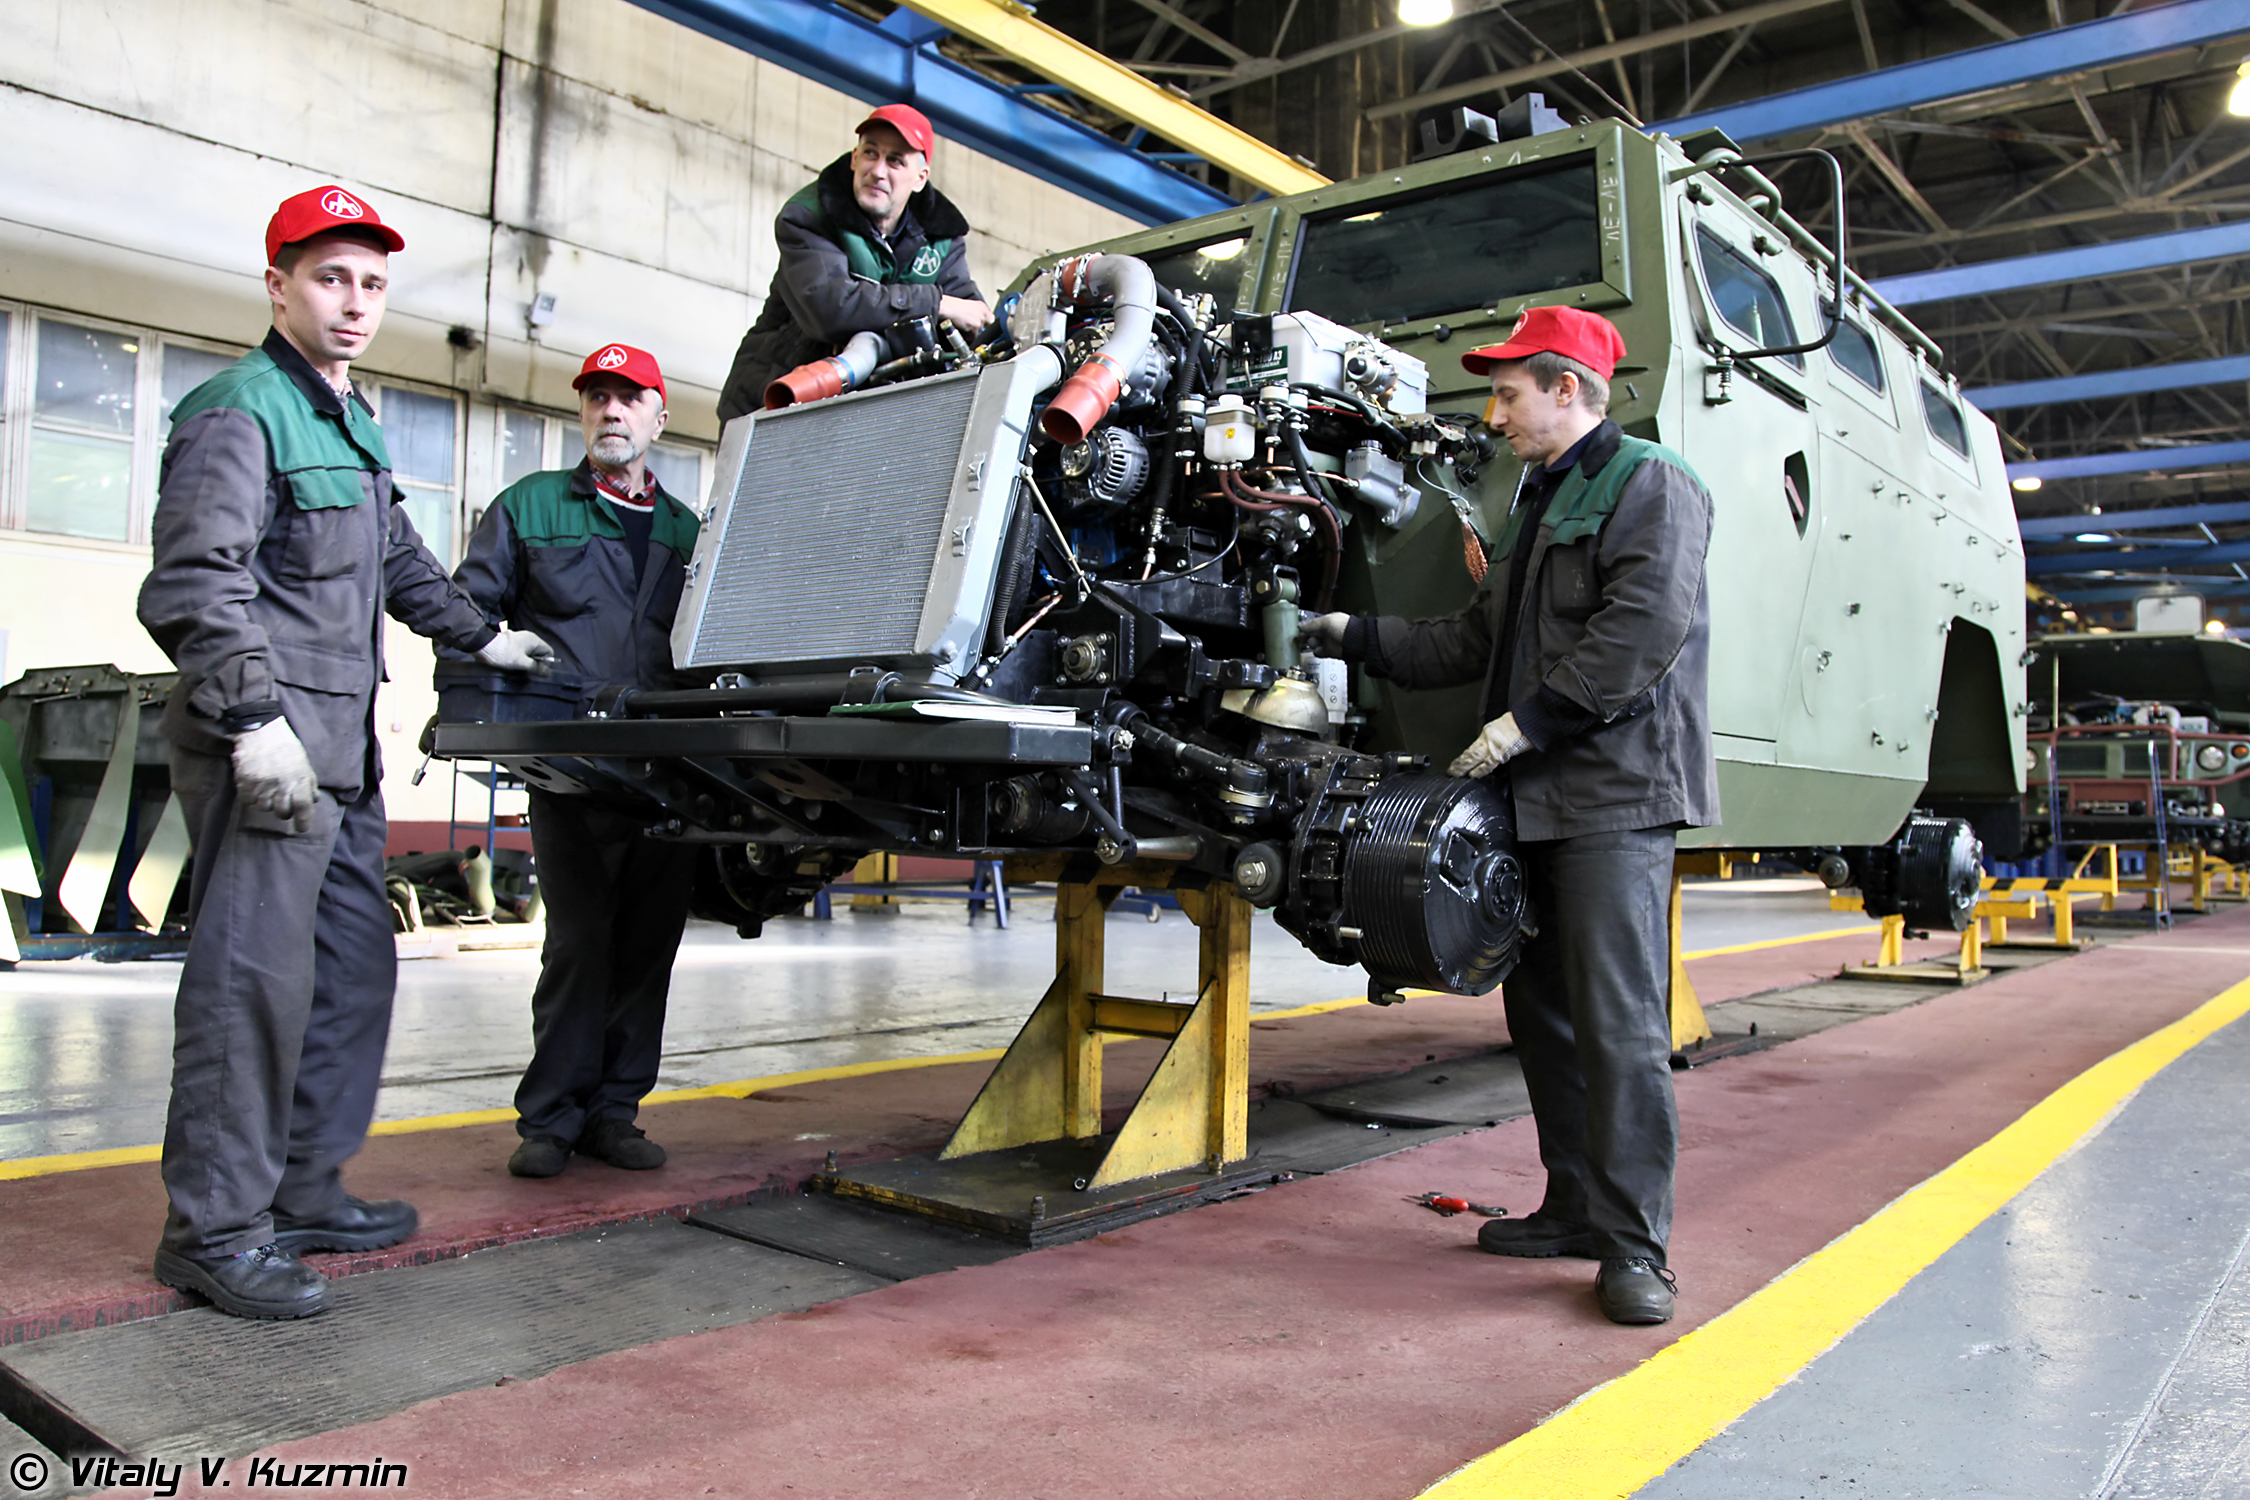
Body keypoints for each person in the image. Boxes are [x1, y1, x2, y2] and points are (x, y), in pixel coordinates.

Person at [138, 185, 553, 1320]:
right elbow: (192, 584)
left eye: (372, 283)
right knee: (251, 994)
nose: (356, 301)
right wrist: (250, 718)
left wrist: (485, 635)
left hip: (340, 763)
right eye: (331, 277)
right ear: (279, 285)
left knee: (350, 978)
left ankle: (302, 1188)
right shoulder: (241, 410)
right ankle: (214, 1231)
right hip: (266, 753)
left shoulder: (348, 422)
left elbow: (402, 563)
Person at [1301, 305, 1717, 1326]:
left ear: (1566, 387)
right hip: (1532, 804)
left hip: (1614, 798)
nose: (1493, 414)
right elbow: (1465, 642)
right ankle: (1573, 1205)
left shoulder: (1652, 486)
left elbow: (1645, 631)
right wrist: (1345, 630)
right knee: (1542, 1015)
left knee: (1619, 1025)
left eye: (1507, 393)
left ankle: (1636, 1249)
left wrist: (1528, 725)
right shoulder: (1543, 502)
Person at [453, 344, 701, 1179]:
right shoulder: (528, 507)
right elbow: (468, 609)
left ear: (658, 418)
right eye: (597, 398)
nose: (611, 412)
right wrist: (499, 668)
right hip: (572, 764)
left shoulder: (687, 530)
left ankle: (614, 1114)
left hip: (670, 768)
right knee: (579, 940)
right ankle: (551, 1118)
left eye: (629, 399)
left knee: (648, 944)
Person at [715, 103, 992, 422]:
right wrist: (934, 302)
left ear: (920, 179)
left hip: (865, 416)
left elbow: (973, 318)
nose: (878, 171)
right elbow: (831, 308)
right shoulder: (809, 216)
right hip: (771, 406)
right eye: (871, 153)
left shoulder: (942, 237)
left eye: (895, 161)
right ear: (854, 158)